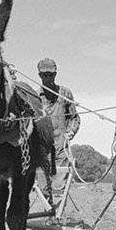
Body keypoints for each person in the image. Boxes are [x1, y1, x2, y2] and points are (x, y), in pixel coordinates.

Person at [37, 57, 80, 210]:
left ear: (55, 75)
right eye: (44, 75)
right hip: (42, 149)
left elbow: (75, 118)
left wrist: (71, 132)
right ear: (39, 75)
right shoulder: (35, 98)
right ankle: (48, 215)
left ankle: (60, 218)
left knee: (60, 186)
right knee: (43, 187)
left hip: (62, 146)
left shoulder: (65, 94)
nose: (48, 78)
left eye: (50, 75)